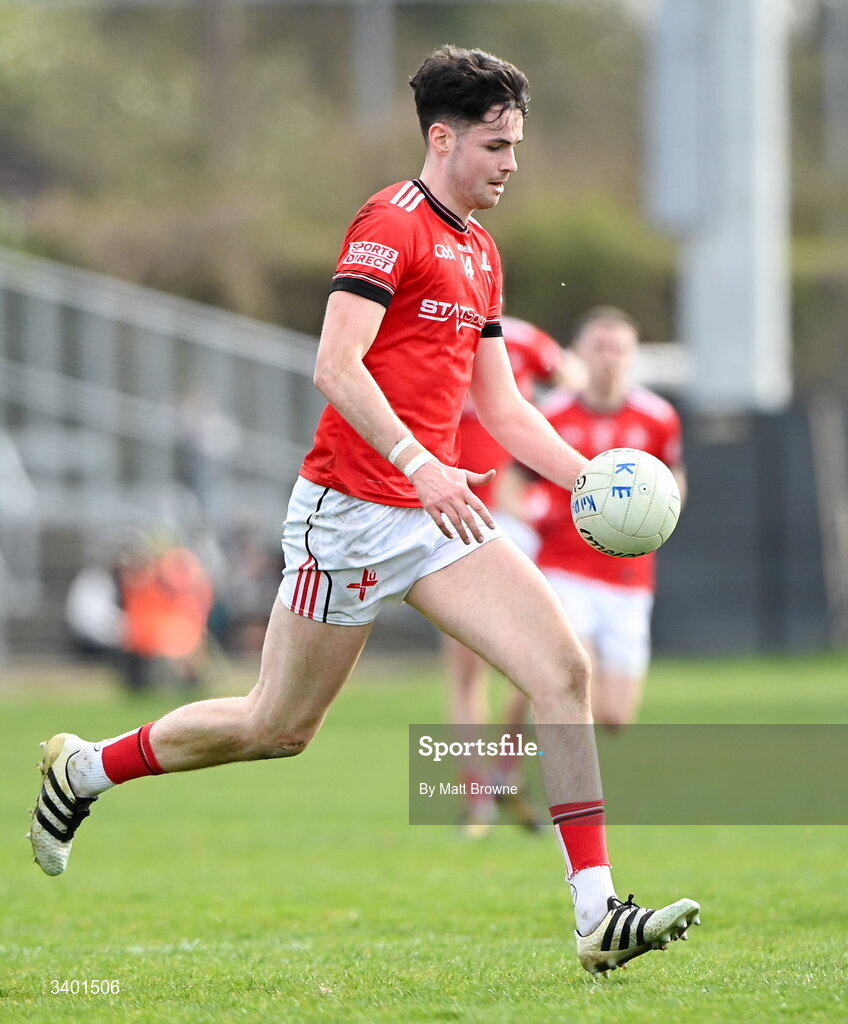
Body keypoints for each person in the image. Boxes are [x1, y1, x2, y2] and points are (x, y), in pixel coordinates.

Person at [28, 46, 699, 975]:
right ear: (443, 137)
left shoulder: (479, 251)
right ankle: (88, 769)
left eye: (517, 146)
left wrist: (589, 479)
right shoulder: (390, 224)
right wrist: (421, 463)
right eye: (497, 145)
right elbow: (334, 366)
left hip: (437, 516)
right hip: (347, 513)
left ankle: (596, 914)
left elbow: (501, 409)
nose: (512, 163)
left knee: (560, 670)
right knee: (277, 728)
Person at [507, 307, 685, 727]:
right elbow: (510, 486)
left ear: (633, 355)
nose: (610, 357)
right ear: (579, 353)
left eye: (619, 348)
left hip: (629, 576)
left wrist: (657, 516)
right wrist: (536, 511)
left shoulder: (658, 417)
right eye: (600, 347)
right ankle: (512, 769)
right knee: (572, 683)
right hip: (565, 569)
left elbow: (675, 481)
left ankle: (524, 694)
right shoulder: (550, 415)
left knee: (614, 717)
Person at [445, 314, 582, 837]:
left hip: (511, 520)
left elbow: (569, 394)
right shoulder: (427, 333)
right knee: (467, 669)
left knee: (537, 660)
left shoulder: (522, 340)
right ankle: (476, 797)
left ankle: (507, 773)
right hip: (449, 514)